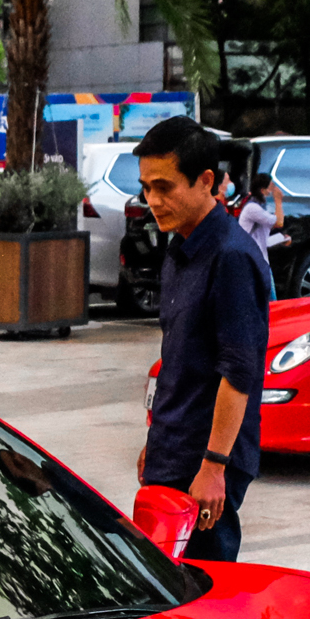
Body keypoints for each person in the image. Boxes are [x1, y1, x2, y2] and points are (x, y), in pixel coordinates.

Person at [132, 116, 269, 562]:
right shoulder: (179, 247)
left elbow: (240, 372)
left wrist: (214, 466)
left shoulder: (231, 256)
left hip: (206, 461)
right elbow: (178, 361)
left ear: (206, 181)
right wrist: (157, 445)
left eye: (164, 187)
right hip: (174, 448)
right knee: (161, 584)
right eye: (146, 188)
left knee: (201, 592)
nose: (153, 200)